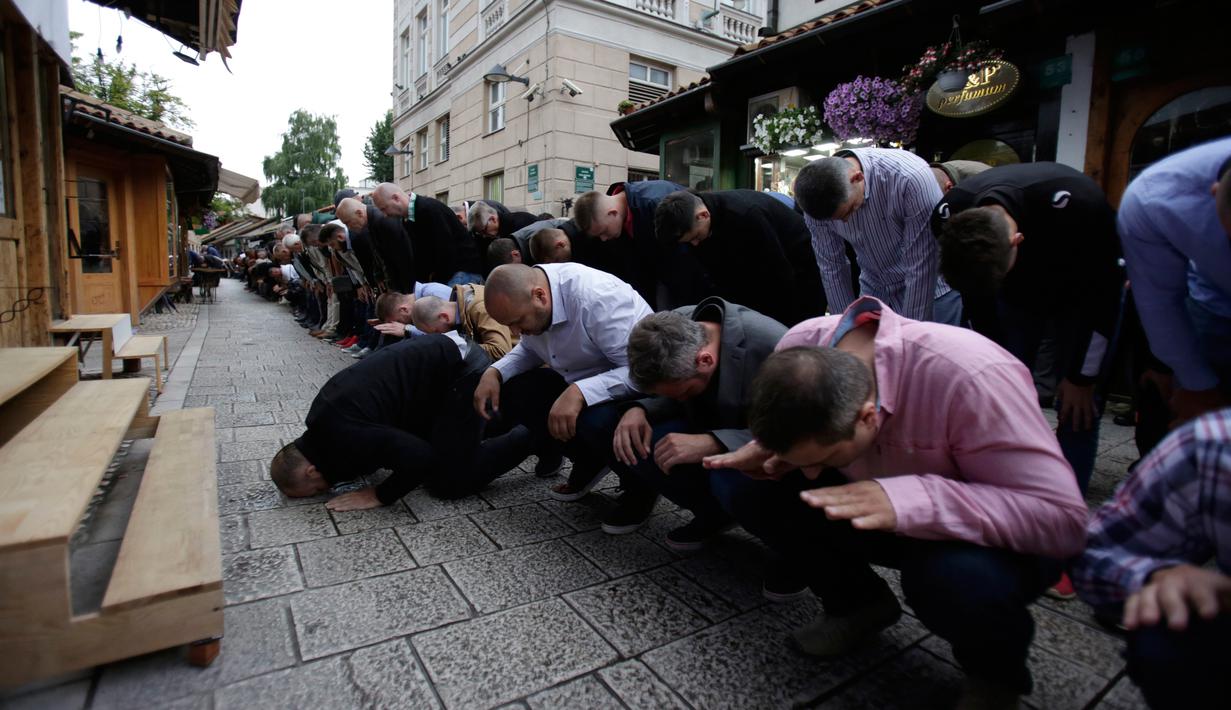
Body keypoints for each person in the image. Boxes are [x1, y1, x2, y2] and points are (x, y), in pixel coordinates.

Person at [703, 296, 1087, 708]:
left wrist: (910, 499)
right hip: (879, 505)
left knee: (952, 579)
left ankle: (994, 673)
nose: (811, 473)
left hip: (981, 536)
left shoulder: (971, 375)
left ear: (868, 417)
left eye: (823, 461)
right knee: (744, 485)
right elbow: (807, 428)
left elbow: (1062, 519)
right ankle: (858, 605)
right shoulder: (803, 344)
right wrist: (771, 453)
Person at [932, 161, 1122, 500]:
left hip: (1080, 299)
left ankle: (1064, 501)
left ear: (1018, 240)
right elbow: (978, 303)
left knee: (1079, 404)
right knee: (998, 388)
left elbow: (1102, 302)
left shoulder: (1080, 207)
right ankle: (1003, 480)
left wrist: (1081, 377)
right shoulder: (949, 213)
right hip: (1014, 302)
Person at [473, 263, 658, 532]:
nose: (515, 333)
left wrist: (581, 392)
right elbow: (530, 349)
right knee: (516, 390)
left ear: (540, 296)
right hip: (584, 381)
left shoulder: (598, 299)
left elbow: (643, 374)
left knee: (595, 419)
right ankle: (590, 461)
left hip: (636, 393)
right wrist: (494, 372)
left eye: (518, 322)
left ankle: (641, 486)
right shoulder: (536, 299)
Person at [1072, 407, 1231, 709]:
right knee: (1167, 637)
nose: (1178, 397)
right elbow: (1097, 552)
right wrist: (1158, 576)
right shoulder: (1213, 443)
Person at [270, 336, 531, 509]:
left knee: (448, 480)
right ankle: (506, 417)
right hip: (438, 373)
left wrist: (379, 494)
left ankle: (531, 435)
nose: (325, 491)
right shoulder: (319, 422)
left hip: (462, 371)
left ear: (312, 471)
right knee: (445, 448)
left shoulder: (343, 434)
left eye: (316, 490)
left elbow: (420, 457)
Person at [616, 298, 787, 551]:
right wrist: (639, 409)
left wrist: (717, 442)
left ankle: (790, 550)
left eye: (685, 391)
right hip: (710, 421)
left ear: (704, 361)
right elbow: (668, 388)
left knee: (728, 479)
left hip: (773, 449)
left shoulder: (775, 347)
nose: (680, 398)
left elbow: (799, 431)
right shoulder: (674, 326)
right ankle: (714, 515)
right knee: (640, 442)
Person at [1118, 138, 1231, 424]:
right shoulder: (1154, 199)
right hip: (1213, 309)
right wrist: (1198, 386)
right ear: (1213, 194)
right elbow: (1159, 301)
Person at [794, 149, 959, 324]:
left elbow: (922, 262)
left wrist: (912, 333)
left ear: (857, 178)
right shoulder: (814, 200)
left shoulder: (909, 177)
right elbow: (831, 265)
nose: (845, 221)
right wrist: (845, 327)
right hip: (875, 292)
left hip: (932, 292)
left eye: (849, 210)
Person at [653, 189, 825, 326]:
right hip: (764, 274)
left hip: (801, 270)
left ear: (703, 215)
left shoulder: (745, 214)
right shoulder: (697, 226)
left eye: (696, 237)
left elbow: (779, 276)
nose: (695, 244)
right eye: (689, 241)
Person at [571, 179, 684, 306]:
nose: (604, 238)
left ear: (612, 213)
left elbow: (685, 258)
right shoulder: (620, 223)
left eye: (604, 232)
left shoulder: (655, 203)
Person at [368, 183, 484, 285]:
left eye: (384, 208)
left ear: (396, 198)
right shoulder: (409, 218)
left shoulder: (429, 209)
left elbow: (445, 252)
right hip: (453, 272)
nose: (385, 215)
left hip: (462, 271)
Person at [411, 283, 516, 360]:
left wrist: (456, 347)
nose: (440, 336)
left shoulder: (480, 307)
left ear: (444, 317)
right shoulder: (461, 307)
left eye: (436, 332)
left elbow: (501, 351)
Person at [468, 200, 540, 240]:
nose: (484, 236)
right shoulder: (495, 234)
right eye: (480, 233)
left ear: (493, 219)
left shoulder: (522, 224)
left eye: (484, 230)